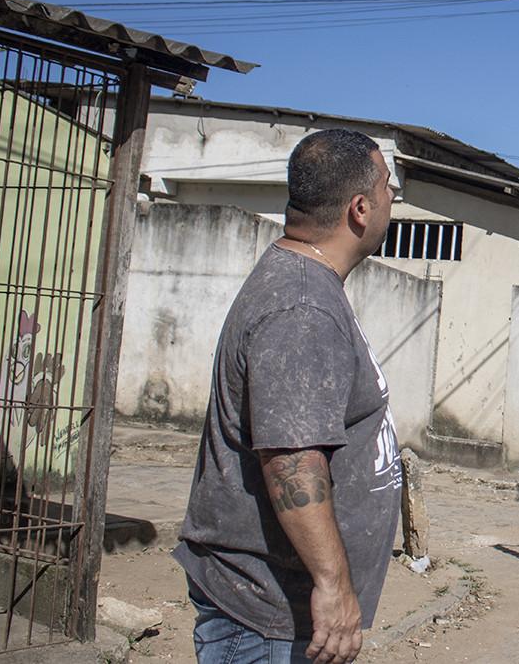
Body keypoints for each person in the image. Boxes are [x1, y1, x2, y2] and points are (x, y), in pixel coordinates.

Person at [174, 129, 403, 664]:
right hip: (268, 618)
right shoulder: (302, 308)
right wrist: (333, 585)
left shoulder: (309, 287)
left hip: (280, 617)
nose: (394, 199)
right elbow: (292, 461)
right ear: (361, 208)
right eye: (389, 188)